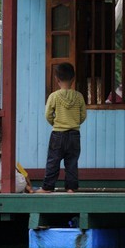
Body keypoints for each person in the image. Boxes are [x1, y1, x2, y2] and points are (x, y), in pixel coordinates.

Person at [41, 61, 88, 192]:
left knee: (53, 161)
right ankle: (71, 188)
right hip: (74, 134)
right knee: (72, 162)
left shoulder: (54, 96)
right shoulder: (79, 96)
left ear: (56, 79)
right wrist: (74, 123)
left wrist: (56, 123)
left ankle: (48, 187)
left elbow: (48, 115)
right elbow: (83, 115)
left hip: (58, 134)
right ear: (73, 79)